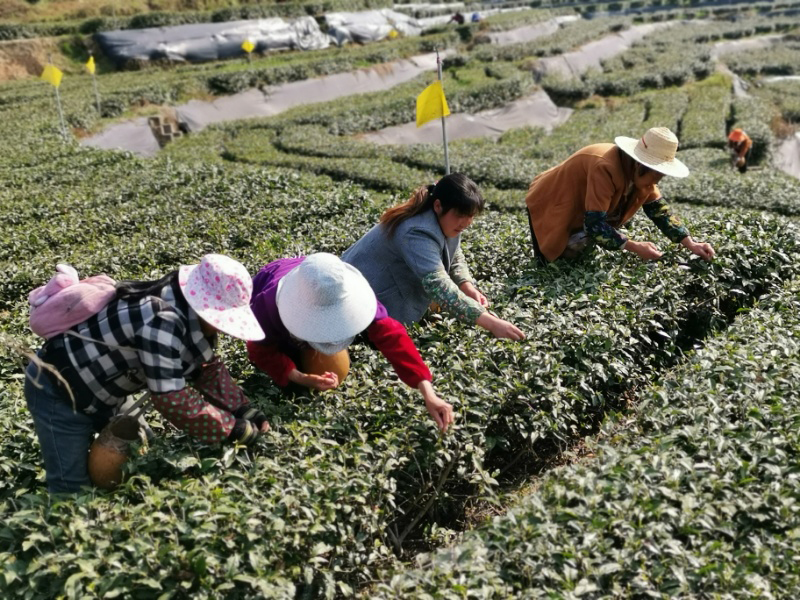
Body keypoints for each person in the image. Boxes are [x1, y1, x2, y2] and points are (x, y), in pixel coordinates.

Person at [24, 254, 269, 494]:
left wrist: (243, 409)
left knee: (144, 453)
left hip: (105, 390)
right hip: (58, 390)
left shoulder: (184, 309)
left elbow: (207, 370)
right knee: (71, 487)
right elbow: (172, 398)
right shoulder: (161, 317)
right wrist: (231, 428)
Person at [246, 253, 454, 432]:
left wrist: (428, 392)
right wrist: (299, 377)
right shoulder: (267, 305)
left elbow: (393, 338)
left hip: (315, 283)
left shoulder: (352, 293)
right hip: (279, 278)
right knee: (290, 376)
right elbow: (259, 350)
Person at [342, 173, 525, 340]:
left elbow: (453, 255)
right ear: (438, 205)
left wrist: (467, 286)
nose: (467, 223)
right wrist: (491, 323)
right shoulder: (416, 231)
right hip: (353, 303)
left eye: (471, 216)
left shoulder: (447, 221)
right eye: (461, 215)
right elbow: (438, 285)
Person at [525, 127, 716, 263]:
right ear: (641, 165)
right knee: (552, 257)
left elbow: (659, 211)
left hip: (581, 207)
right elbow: (594, 225)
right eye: (657, 174)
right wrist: (635, 247)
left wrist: (690, 243)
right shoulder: (605, 167)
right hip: (553, 200)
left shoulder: (640, 175)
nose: (657, 181)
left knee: (577, 254)